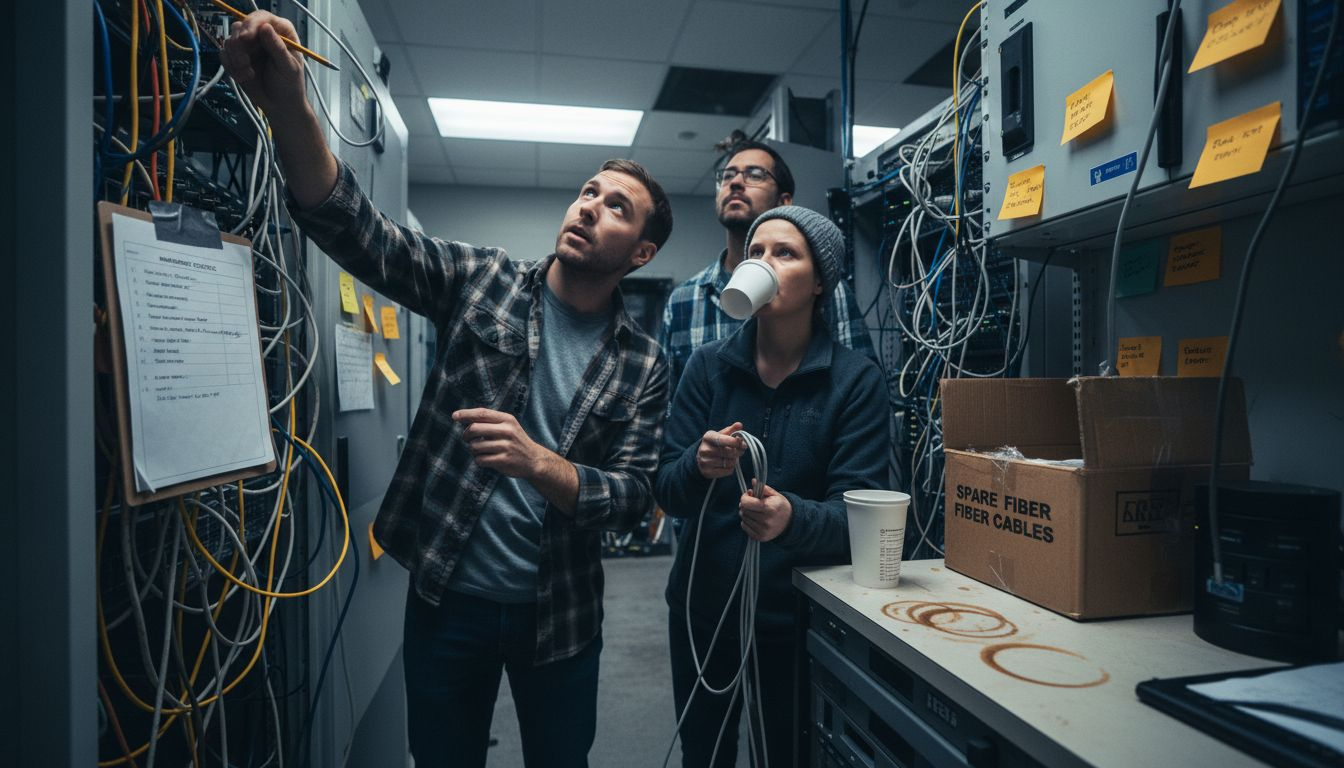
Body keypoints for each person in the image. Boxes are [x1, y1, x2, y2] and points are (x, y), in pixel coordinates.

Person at [222, 13, 672, 768]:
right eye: (589, 192)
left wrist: (540, 465)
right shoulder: (482, 279)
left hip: (558, 615)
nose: (590, 206)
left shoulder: (643, 363)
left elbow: (634, 496)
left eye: (617, 207)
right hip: (447, 600)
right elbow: (353, 227)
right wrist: (290, 106)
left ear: (644, 251)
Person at [655, 206, 888, 767]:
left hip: (797, 622)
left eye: (785, 253)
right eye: (755, 252)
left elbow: (862, 515)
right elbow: (666, 487)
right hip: (704, 613)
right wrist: (698, 464)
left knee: (787, 753)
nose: (763, 262)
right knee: (704, 755)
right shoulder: (708, 368)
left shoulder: (854, 380)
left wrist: (792, 519)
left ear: (820, 283)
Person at [658, 140, 874, 402]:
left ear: (784, 201)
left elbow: (863, 393)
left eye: (754, 175)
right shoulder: (684, 301)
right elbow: (670, 412)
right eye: (727, 176)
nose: (735, 183)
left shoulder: (829, 291)